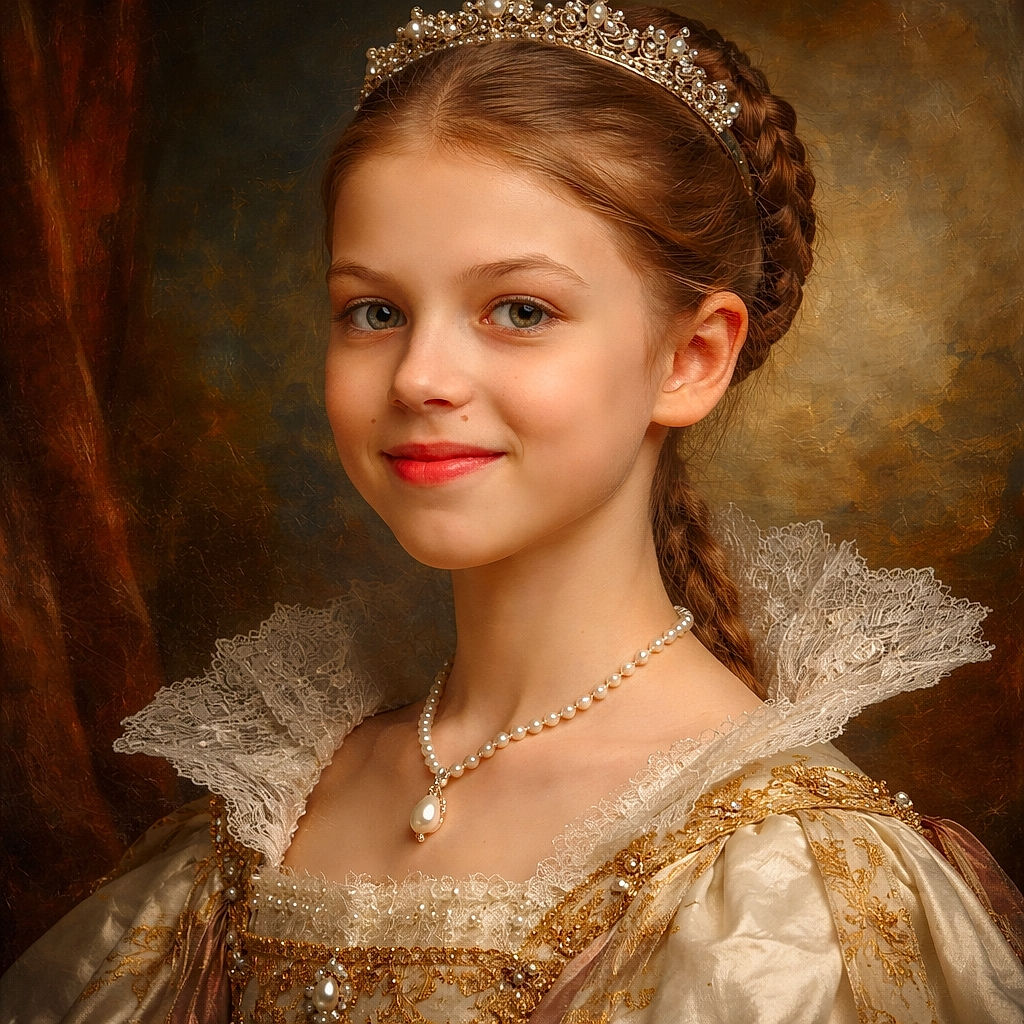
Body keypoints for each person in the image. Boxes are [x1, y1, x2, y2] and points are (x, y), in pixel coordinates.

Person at [2, 1, 1023, 1021]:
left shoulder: (779, 883)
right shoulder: (265, 815)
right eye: (375, 311)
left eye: (520, 310)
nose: (421, 376)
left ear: (690, 357)